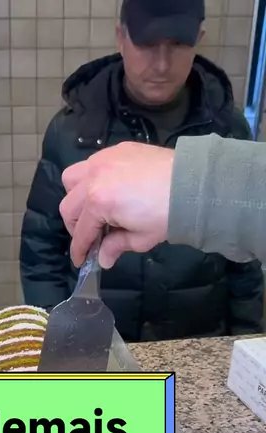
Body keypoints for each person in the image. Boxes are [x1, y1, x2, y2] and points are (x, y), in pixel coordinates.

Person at [20, 0, 264, 342]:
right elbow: (41, 250)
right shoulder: (72, 130)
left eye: (178, 44)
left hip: (199, 341)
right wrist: (58, 336)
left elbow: (245, 263)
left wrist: (246, 342)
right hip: (97, 343)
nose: (162, 64)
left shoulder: (229, 130)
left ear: (199, 38)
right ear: (121, 37)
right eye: (147, 43)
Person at [60, 135, 266, 270]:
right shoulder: (68, 130)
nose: (161, 71)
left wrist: (193, 187)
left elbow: (245, 273)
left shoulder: (229, 121)